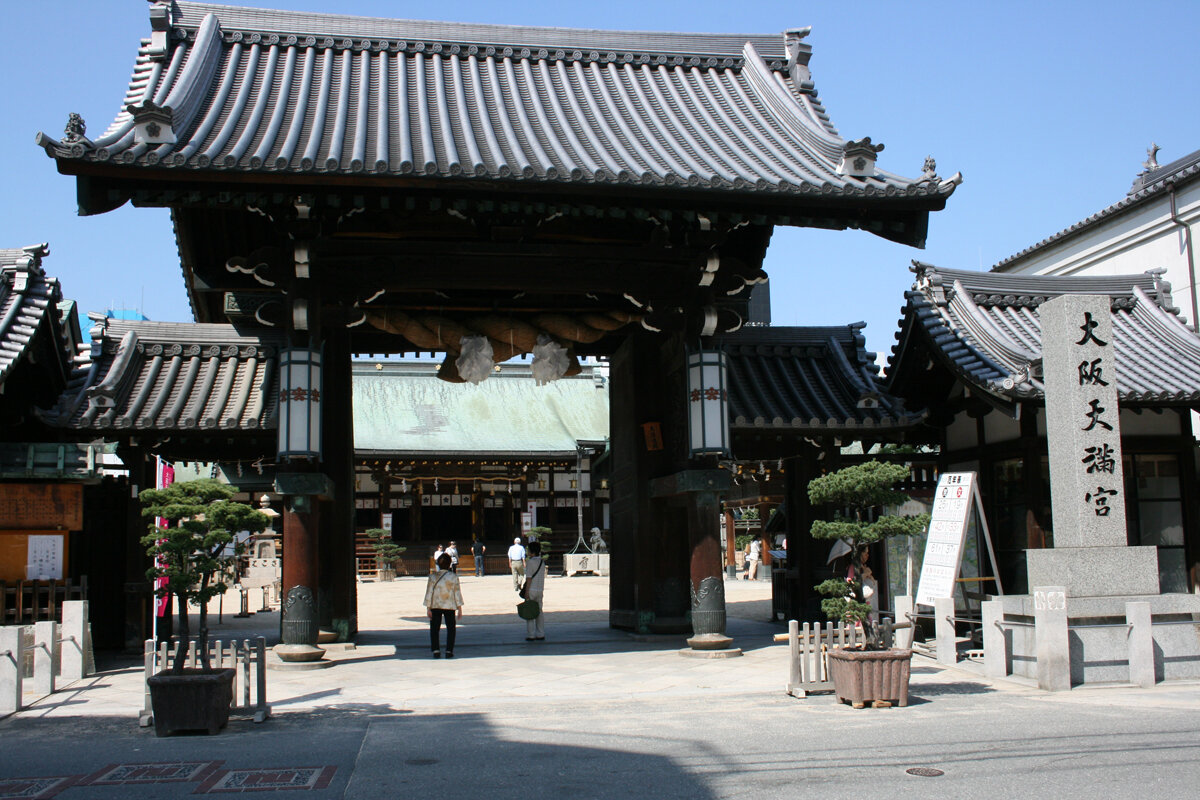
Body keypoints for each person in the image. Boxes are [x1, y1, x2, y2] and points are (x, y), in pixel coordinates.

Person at [424, 553, 463, 658]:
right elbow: (457, 593)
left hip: (436, 604)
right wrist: (459, 608)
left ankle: (436, 649)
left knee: (434, 628)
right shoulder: (453, 577)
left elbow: (429, 593)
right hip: (449, 605)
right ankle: (449, 650)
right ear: (449, 564)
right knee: (451, 628)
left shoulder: (432, 577)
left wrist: (428, 608)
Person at [521, 540, 546, 641]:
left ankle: (531, 634)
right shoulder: (542, 562)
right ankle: (541, 633)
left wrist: (526, 592)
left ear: (532, 551)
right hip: (540, 589)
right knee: (539, 611)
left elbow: (529, 578)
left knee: (530, 612)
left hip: (531, 589)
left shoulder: (530, 562)